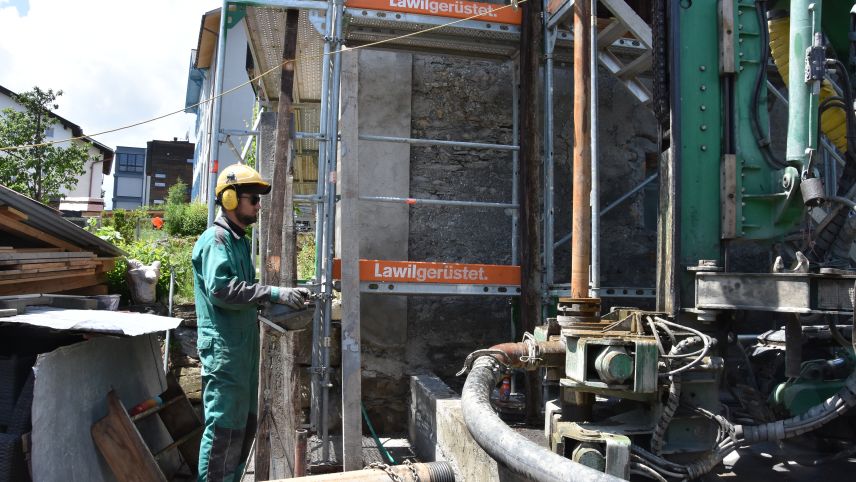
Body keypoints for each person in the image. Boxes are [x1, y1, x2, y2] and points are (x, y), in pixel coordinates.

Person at [192, 164, 310, 481]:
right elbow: (221, 289)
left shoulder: (238, 241)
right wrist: (273, 293)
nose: (259, 205)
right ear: (230, 199)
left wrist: (272, 304)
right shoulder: (217, 239)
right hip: (225, 350)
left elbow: (243, 295)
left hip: (241, 350)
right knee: (222, 430)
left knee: (242, 427)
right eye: (253, 199)